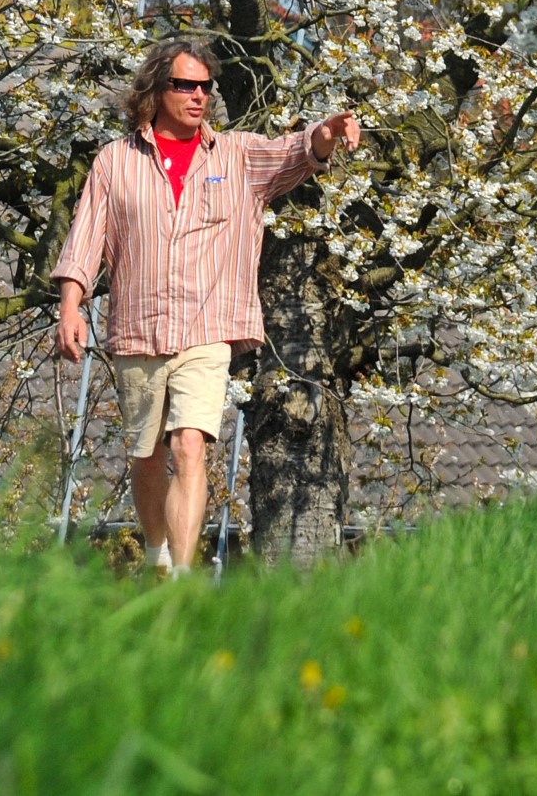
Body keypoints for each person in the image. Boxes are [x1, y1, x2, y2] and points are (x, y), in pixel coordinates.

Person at [53, 38, 359, 576]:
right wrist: (71, 308)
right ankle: (157, 554)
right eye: (185, 85)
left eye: (205, 87)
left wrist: (325, 135)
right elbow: (84, 241)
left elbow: (295, 152)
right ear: (155, 89)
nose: (198, 96)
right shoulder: (115, 161)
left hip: (207, 327)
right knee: (146, 456)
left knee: (190, 445)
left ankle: (182, 578)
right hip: (138, 329)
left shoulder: (237, 155)